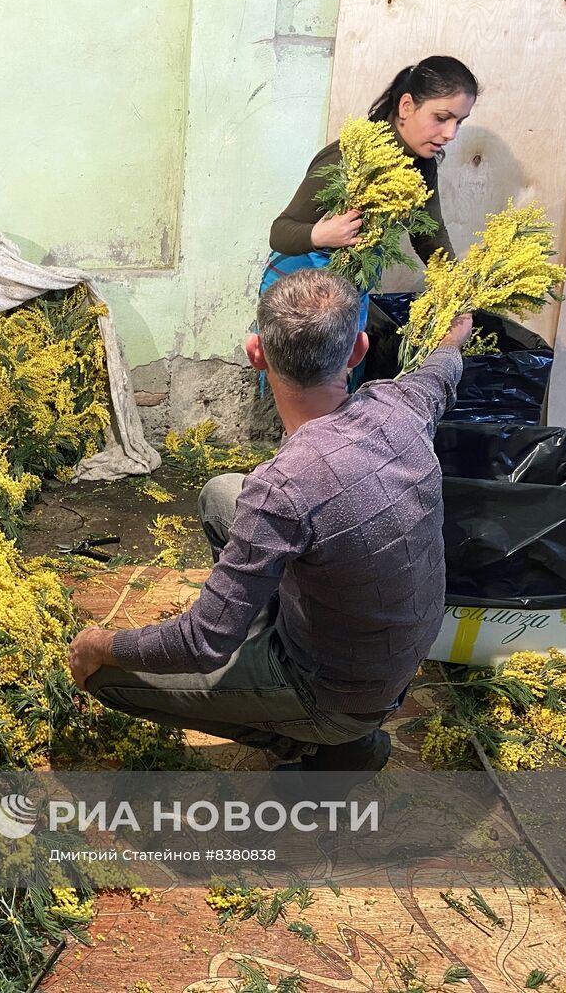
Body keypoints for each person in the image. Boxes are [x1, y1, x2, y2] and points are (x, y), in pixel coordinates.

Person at [67, 269, 474, 795]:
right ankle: (298, 684)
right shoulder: (401, 404)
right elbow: (442, 371)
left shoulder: (283, 487)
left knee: (108, 675)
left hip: (341, 693)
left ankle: (332, 749)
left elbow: (201, 643)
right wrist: (455, 333)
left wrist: (101, 643)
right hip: (396, 652)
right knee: (220, 496)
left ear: (255, 353)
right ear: (358, 350)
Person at [261, 55, 479, 384]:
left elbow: (428, 235)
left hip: (347, 297)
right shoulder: (350, 156)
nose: (450, 133)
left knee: (338, 394)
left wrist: (454, 288)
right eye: (442, 117)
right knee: (303, 398)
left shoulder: (421, 163)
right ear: (406, 106)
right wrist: (323, 235)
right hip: (299, 301)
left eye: (459, 122)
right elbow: (280, 232)